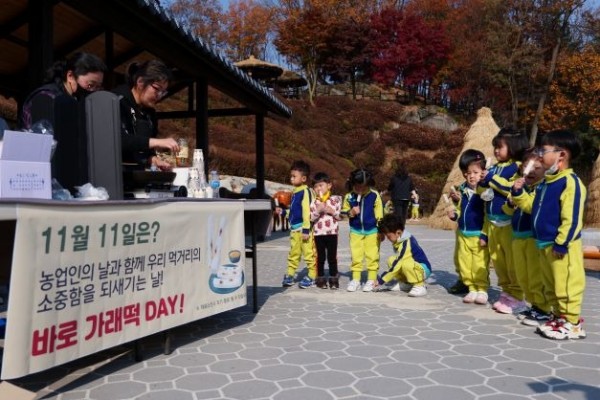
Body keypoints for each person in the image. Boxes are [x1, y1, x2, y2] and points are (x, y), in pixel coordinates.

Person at [512, 130, 587, 340]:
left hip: (561, 247)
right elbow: (531, 207)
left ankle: (572, 322)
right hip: (543, 244)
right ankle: (558, 316)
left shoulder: (570, 182)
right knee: (551, 284)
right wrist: (519, 194)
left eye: (543, 150)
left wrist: (562, 243)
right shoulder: (546, 182)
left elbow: (572, 218)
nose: (539, 154)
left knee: (567, 284)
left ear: (560, 155)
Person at [479, 127, 529, 314]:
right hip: (492, 223)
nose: (496, 151)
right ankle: (506, 292)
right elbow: (485, 190)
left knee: (511, 262)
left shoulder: (516, 167)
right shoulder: (494, 167)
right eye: (495, 147)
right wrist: (483, 180)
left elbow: (511, 188)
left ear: (514, 146)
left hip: (508, 223)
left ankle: (517, 296)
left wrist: (491, 178)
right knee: (498, 260)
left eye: (500, 147)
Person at [113, 60, 179, 171]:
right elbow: (118, 140)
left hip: (138, 176)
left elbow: (145, 151)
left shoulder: (150, 114)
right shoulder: (116, 101)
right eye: (157, 89)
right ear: (140, 82)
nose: (159, 96)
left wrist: (154, 160)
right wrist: (157, 142)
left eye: (163, 92)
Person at [507, 150, 547, 326]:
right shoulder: (521, 186)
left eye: (537, 167)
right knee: (523, 276)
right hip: (517, 238)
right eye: (527, 166)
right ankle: (533, 305)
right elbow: (508, 211)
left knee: (535, 276)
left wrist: (518, 194)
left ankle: (543, 308)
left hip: (532, 238)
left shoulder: (543, 188)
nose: (531, 171)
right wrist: (510, 201)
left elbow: (531, 207)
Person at [20, 52, 106, 130]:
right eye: (90, 85)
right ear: (70, 76)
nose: (94, 91)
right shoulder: (46, 98)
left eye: (98, 87)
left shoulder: (76, 101)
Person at [447, 150, 489, 304]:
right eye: (467, 173)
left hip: (478, 235)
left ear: (483, 172)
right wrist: (455, 215)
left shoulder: (485, 191)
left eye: (475, 172)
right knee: (464, 262)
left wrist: (485, 234)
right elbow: (460, 211)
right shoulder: (463, 189)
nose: (471, 176)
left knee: (479, 264)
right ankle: (471, 287)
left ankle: (482, 289)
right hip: (463, 233)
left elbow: (488, 215)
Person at [341, 169, 383, 292]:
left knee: (372, 255)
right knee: (356, 255)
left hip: (372, 231)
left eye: (363, 188)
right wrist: (351, 212)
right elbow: (343, 212)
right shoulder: (349, 196)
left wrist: (380, 230)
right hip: (355, 230)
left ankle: (371, 279)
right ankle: (356, 279)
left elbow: (380, 214)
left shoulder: (374, 195)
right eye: (357, 187)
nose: (360, 190)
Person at [280, 160, 317, 288]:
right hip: (295, 229)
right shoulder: (295, 191)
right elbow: (294, 210)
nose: (291, 178)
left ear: (304, 178)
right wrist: (284, 212)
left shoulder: (305, 191)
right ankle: (290, 275)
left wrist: (306, 229)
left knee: (308, 253)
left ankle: (312, 275)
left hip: (304, 229)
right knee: (293, 253)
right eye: (291, 176)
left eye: (294, 176)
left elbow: (306, 210)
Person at [374, 214, 431, 297]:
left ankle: (420, 285)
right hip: (414, 266)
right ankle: (406, 283)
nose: (387, 239)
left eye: (389, 236)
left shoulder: (406, 243)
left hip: (423, 269)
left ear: (398, 232)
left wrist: (381, 280)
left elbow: (398, 263)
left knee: (404, 263)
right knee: (391, 260)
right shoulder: (400, 239)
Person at [310, 172, 342, 289]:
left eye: (321, 185)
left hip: (332, 233)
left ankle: (333, 278)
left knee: (332, 257)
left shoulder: (335, 200)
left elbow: (339, 217)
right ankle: (320, 278)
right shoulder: (314, 202)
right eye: (316, 186)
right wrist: (318, 210)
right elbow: (311, 218)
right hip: (318, 233)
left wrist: (331, 211)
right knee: (320, 257)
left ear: (329, 185)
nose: (319, 188)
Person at [386, 162, 414, 226]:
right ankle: (402, 226)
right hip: (406, 197)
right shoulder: (409, 178)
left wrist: (386, 192)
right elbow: (411, 187)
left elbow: (390, 187)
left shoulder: (394, 178)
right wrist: (414, 194)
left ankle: (398, 227)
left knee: (398, 213)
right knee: (404, 214)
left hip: (397, 197)